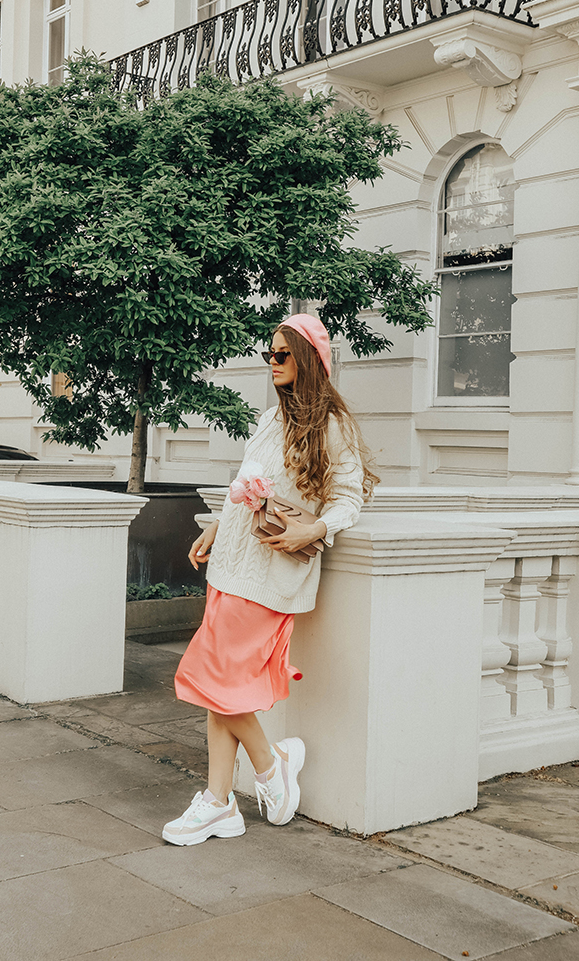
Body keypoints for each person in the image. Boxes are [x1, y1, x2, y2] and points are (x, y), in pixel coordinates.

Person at [161, 313, 378, 846]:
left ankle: (269, 763)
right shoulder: (268, 421)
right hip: (231, 566)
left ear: (308, 360)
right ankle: (219, 803)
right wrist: (216, 524)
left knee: (214, 679)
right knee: (222, 685)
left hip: (271, 573)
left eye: (281, 355)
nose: (272, 364)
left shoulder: (333, 426)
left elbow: (350, 498)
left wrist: (316, 531)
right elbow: (246, 486)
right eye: (269, 356)